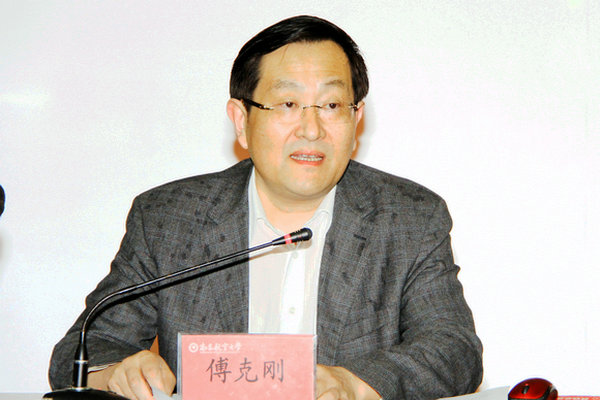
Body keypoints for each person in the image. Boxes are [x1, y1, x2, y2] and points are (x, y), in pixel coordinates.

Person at [49, 15, 483, 400]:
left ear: (356, 119)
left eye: (332, 105)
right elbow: (82, 349)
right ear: (241, 120)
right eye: (288, 104)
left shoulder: (409, 217)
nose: (311, 129)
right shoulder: (168, 219)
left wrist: (354, 384)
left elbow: (454, 350)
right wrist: (117, 372)